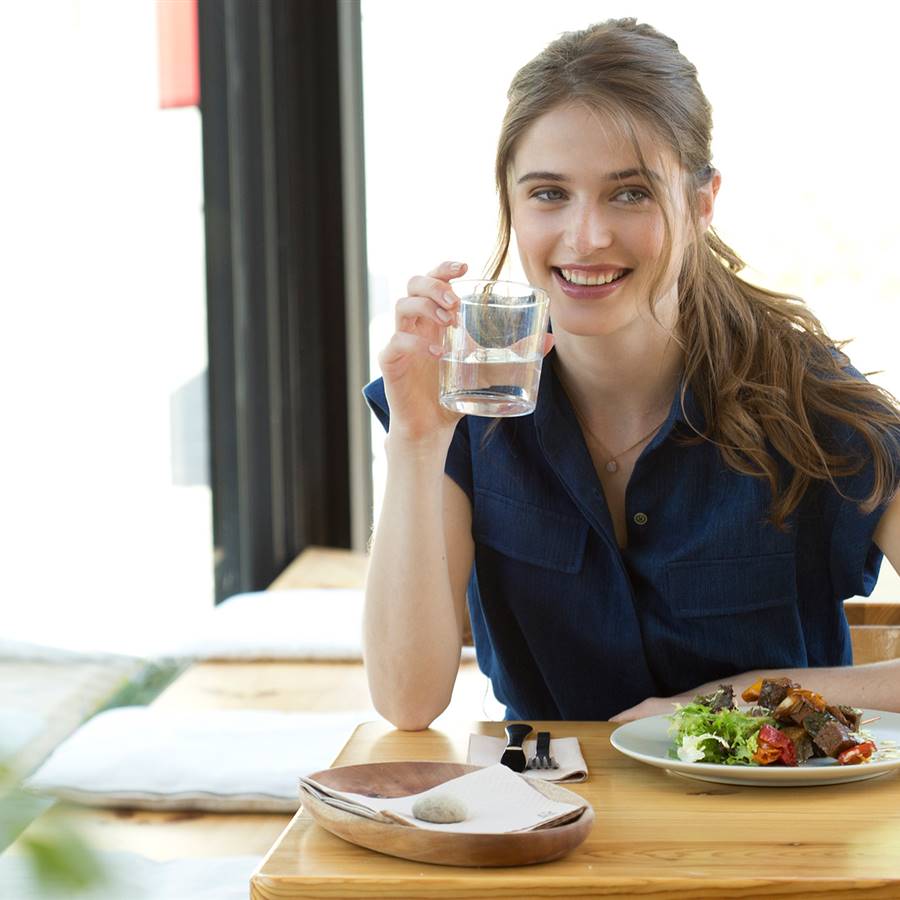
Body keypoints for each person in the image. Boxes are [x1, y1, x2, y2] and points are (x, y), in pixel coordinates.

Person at [362, 18, 900, 730]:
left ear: (701, 202)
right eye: (549, 193)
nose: (586, 236)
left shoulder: (809, 399)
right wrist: (416, 443)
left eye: (630, 193)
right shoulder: (469, 393)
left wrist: (736, 696)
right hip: (545, 817)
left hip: (775, 830)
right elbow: (407, 701)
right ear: (512, 204)